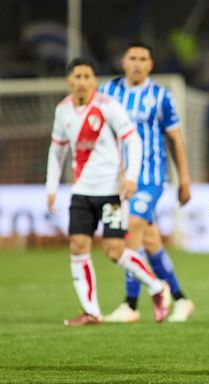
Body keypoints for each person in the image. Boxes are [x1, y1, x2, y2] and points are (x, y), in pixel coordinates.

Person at [45, 57, 170, 326]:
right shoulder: (63, 110)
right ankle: (91, 311)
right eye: (76, 76)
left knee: (114, 251)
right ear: (69, 81)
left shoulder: (107, 106)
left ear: (94, 80)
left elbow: (133, 140)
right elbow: (57, 151)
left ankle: (157, 287)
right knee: (78, 246)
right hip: (81, 192)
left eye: (86, 76)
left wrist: (132, 178)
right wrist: (51, 187)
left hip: (111, 191)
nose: (81, 81)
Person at [99, 42, 194, 323]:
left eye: (143, 58)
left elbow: (175, 140)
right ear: (123, 61)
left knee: (131, 234)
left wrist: (184, 180)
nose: (137, 63)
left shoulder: (160, 96)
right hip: (117, 179)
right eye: (132, 58)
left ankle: (130, 305)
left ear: (151, 64)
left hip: (150, 179)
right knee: (151, 242)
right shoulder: (107, 93)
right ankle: (181, 299)